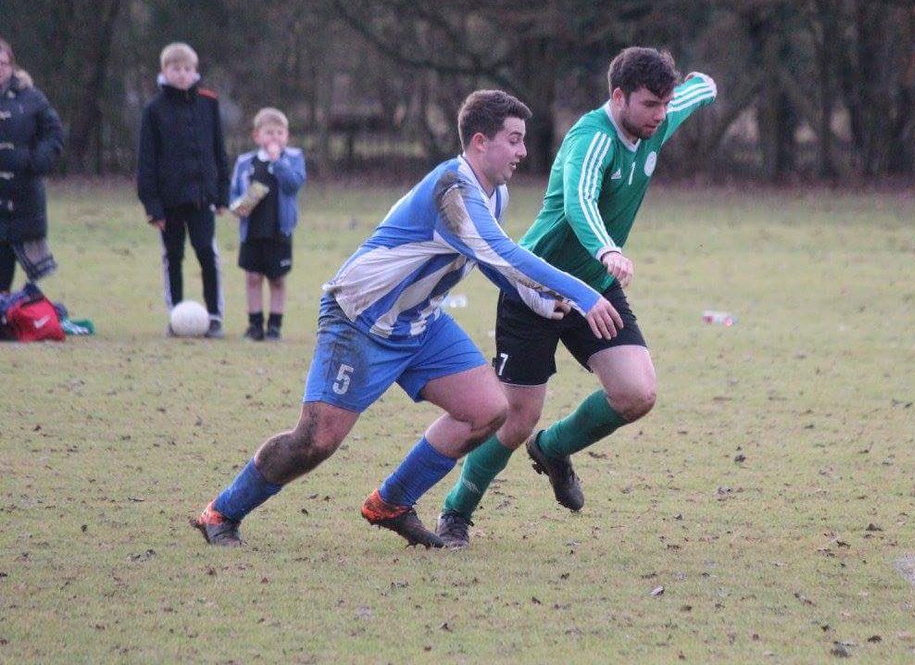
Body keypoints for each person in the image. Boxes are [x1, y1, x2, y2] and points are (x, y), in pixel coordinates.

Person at [191, 89, 624, 548]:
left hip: (419, 323)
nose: (523, 151)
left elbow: (492, 263)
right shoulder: (452, 192)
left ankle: (392, 502)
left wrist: (538, 302)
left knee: (488, 410)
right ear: (480, 141)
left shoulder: (493, 194)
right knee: (315, 441)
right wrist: (583, 294)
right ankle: (221, 511)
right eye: (514, 140)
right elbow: (503, 253)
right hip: (359, 320)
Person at [437, 47, 717, 548]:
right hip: (537, 287)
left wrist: (704, 85)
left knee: (636, 394)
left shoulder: (660, 116)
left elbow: (699, 90)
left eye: (665, 105)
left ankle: (554, 448)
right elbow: (579, 200)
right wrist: (607, 249)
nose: (660, 115)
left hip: (594, 290)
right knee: (515, 418)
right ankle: (456, 511)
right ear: (618, 97)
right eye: (650, 104)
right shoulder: (590, 139)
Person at [136, 42, 229, 338]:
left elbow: (219, 151)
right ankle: (176, 314)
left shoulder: (208, 103)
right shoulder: (154, 110)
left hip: (202, 199)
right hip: (169, 202)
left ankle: (214, 315)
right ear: (165, 71)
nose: (182, 74)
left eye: (187, 69)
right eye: (176, 69)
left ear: (195, 71)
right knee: (172, 256)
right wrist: (153, 206)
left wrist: (222, 194)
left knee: (206, 253)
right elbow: (146, 161)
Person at [230, 107, 306, 341]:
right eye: (269, 133)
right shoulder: (245, 162)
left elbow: (294, 185)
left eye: (279, 133)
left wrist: (277, 162)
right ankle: (254, 325)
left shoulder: (293, 158)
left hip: (279, 230)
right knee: (252, 277)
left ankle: (275, 326)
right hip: (253, 231)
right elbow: (233, 194)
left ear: (287, 136)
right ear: (257, 136)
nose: (275, 138)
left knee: (277, 279)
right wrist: (240, 205)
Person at [0, 38, 66, 294]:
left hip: (24, 196)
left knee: (31, 274)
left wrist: (38, 160)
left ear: (12, 66)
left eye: (3, 64)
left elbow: (54, 134)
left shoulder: (32, 98)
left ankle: (22, 314)